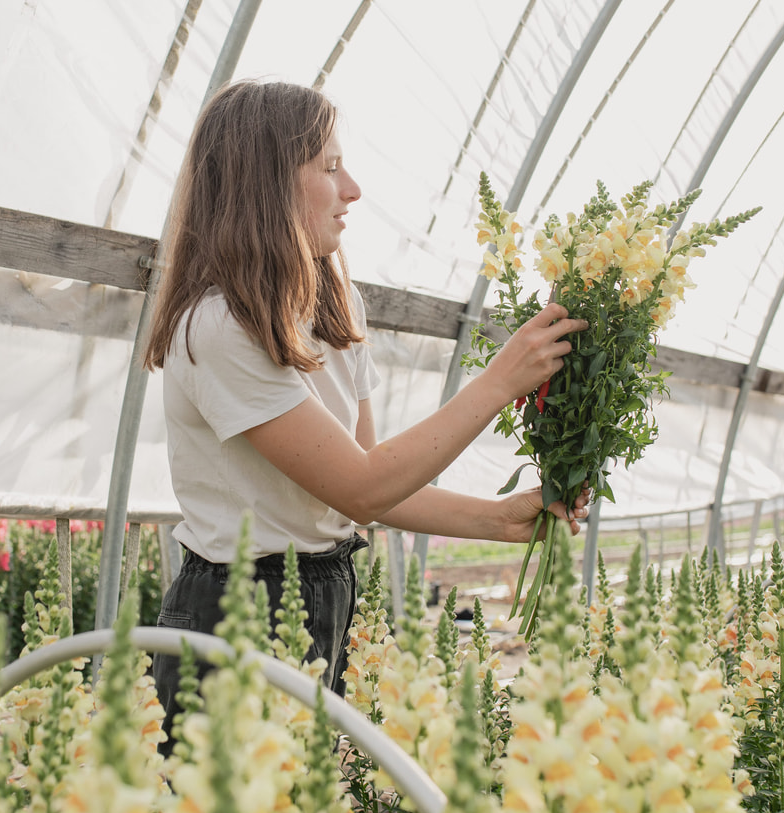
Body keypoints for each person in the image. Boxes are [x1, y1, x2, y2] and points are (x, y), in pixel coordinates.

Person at [141, 79, 589, 737]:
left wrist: (500, 519)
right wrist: (499, 383)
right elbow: (365, 485)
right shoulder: (217, 329)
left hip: (325, 592)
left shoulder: (334, 306)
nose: (352, 189)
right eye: (329, 167)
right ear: (268, 183)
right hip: (236, 608)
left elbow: (364, 490)